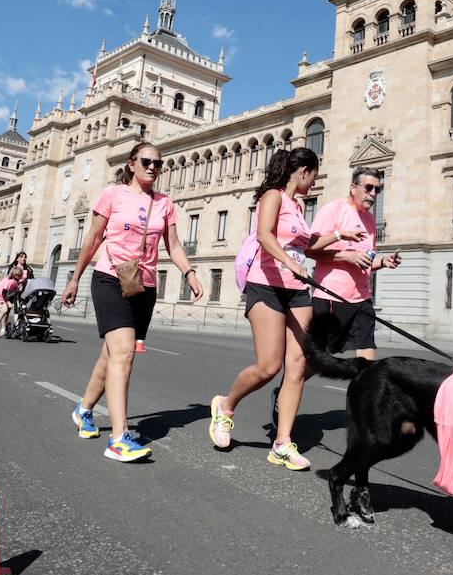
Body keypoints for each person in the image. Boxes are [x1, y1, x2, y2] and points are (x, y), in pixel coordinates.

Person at [207, 147, 349, 470]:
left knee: (297, 366)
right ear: (303, 171)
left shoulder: (298, 208)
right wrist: (288, 262)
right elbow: (264, 236)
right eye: (314, 175)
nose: (314, 182)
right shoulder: (273, 196)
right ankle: (225, 407)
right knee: (269, 366)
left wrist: (339, 235)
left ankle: (282, 443)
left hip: (298, 291)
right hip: (267, 285)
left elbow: (307, 246)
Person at [62, 141, 202, 463]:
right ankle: (119, 438)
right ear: (131, 164)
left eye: (158, 163)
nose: (152, 167)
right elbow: (93, 238)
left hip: (144, 286)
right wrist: (74, 278)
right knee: (123, 351)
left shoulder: (165, 203)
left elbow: (175, 245)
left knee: (112, 355)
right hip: (110, 278)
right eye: (146, 161)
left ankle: (84, 409)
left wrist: (190, 273)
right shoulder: (112, 195)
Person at [308, 168, 401, 361]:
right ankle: (286, 389)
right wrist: (348, 257)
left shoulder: (369, 219)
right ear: (353, 187)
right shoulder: (334, 210)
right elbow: (310, 250)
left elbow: (364, 260)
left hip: (362, 299)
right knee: (318, 359)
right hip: (332, 298)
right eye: (368, 188)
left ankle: (366, 391)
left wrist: (383, 262)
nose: (373, 194)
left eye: (377, 189)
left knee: (366, 357)